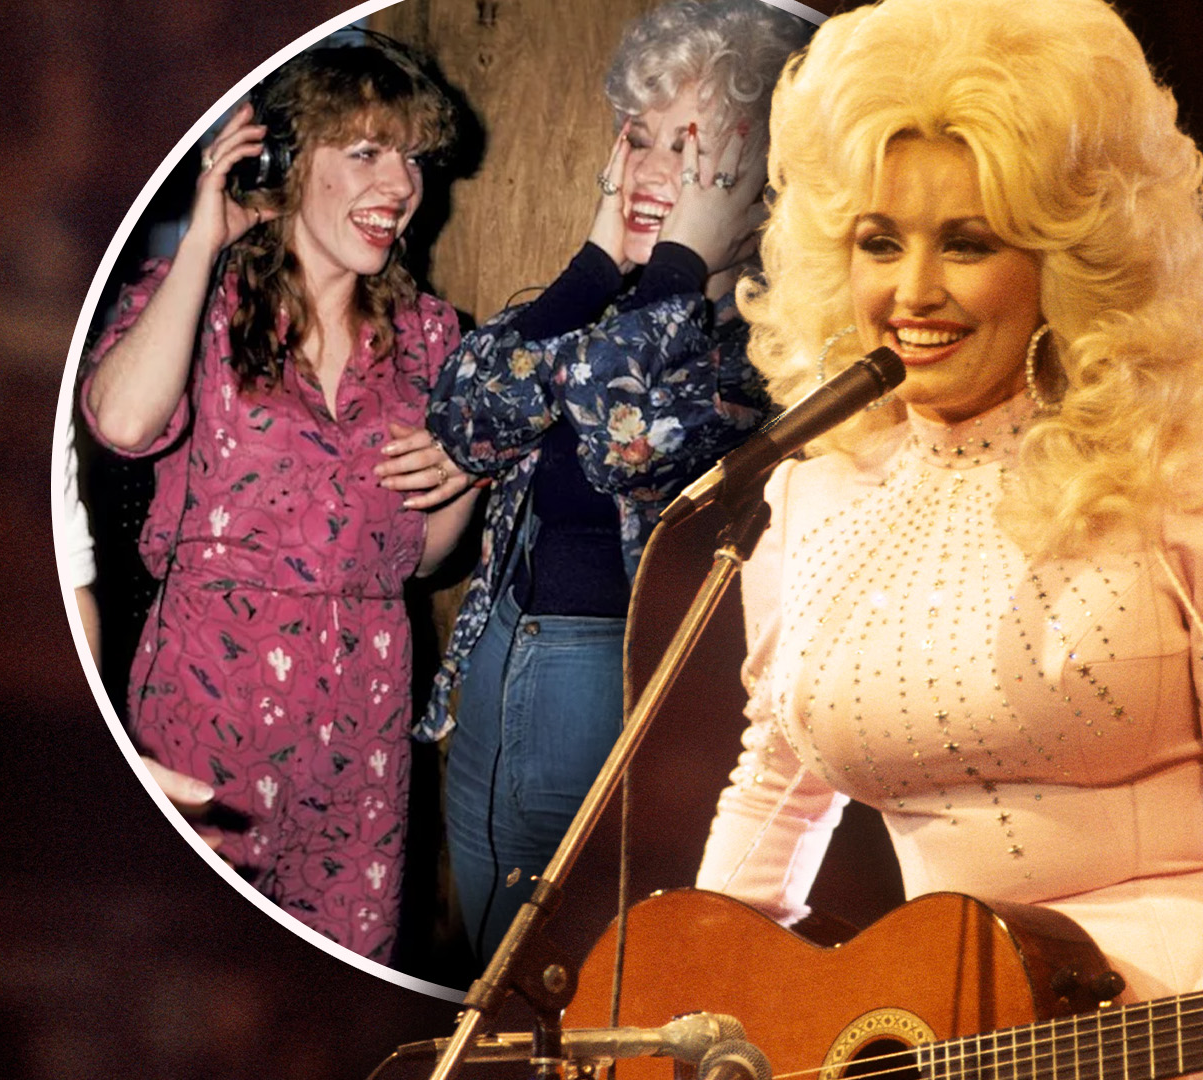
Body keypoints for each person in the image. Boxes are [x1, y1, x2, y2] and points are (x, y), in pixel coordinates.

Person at [693, 1, 1203, 1077]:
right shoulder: (811, 502)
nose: (913, 293)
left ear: (1066, 260)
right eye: (879, 241)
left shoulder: (1182, 483)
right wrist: (695, 1008)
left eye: (966, 243)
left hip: (1190, 1037)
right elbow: (776, 781)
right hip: (941, 1042)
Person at [422, 0, 813, 961]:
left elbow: (623, 439)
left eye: (697, 154)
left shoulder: (773, 349)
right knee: (484, 974)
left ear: (769, 182)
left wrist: (673, 259)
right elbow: (466, 413)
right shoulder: (626, 306)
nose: (652, 177)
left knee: (570, 986)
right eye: (639, 142)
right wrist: (599, 259)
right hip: (496, 667)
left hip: (610, 698)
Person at [81, 35, 478, 961]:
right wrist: (204, 241)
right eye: (367, 153)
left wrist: (467, 468)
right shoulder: (206, 301)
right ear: (289, 165)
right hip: (210, 700)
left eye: (414, 157)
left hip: (368, 715)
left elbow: (423, 557)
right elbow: (126, 424)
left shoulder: (430, 335)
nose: (400, 184)